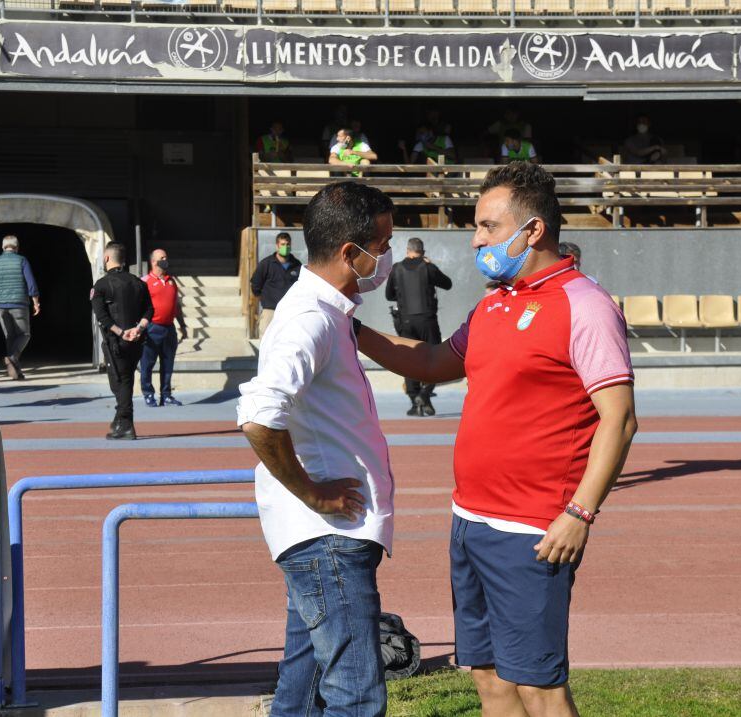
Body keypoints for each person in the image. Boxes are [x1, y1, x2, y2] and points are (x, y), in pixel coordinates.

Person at [356, 162, 638, 717]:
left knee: (539, 686)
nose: (476, 238)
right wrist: (354, 329)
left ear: (531, 230)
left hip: (533, 531)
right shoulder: (496, 301)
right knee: (486, 676)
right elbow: (438, 361)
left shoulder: (585, 306)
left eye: (487, 226)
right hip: (471, 521)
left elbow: (620, 419)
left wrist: (578, 514)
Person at [237, 181, 396, 717]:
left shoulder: (332, 313)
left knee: (301, 692)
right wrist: (313, 493)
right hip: (327, 539)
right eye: (384, 244)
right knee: (356, 695)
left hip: (327, 540)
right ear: (351, 253)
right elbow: (260, 416)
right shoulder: (310, 318)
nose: (389, 257)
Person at [91, 242, 153, 440]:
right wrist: (138, 329)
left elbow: (102, 316)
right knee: (125, 380)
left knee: (120, 382)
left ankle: (125, 424)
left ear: (107, 258)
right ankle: (119, 422)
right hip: (136, 340)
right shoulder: (139, 283)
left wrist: (121, 332)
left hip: (116, 342)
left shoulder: (101, 285)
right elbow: (149, 310)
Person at [384, 237, 452, 416]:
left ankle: (415, 401)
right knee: (435, 357)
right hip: (428, 320)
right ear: (422, 252)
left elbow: (388, 295)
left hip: (405, 321)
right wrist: (432, 266)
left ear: (408, 251)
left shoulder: (396, 269)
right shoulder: (428, 267)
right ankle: (425, 393)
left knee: (409, 360)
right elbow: (448, 284)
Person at [0, 235, 41, 381]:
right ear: (17, 247)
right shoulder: (21, 260)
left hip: (0, 304)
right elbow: (31, 283)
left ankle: (17, 372)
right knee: (24, 334)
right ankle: (12, 357)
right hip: (18, 303)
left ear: (3, 247)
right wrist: (36, 302)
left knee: (10, 337)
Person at [140, 248, 188, 407]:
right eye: (162, 257)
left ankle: (166, 395)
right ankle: (148, 394)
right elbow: (137, 306)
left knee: (168, 364)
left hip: (169, 328)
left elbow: (177, 306)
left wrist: (182, 325)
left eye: (166, 257)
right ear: (153, 262)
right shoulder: (144, 281)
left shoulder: (171, 281)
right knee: (147, 363)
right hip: (152, 328)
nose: (165, 260)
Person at [250, 232, 302, 338]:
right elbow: (255, 285)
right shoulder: (266, 264)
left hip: (289, 312)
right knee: (266, 343)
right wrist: (265, 301)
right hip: (270, 311)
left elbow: (302, 286)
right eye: (282, 244)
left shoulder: (297, 265)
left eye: (288, 244)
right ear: (277, 246)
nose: (285, 247)